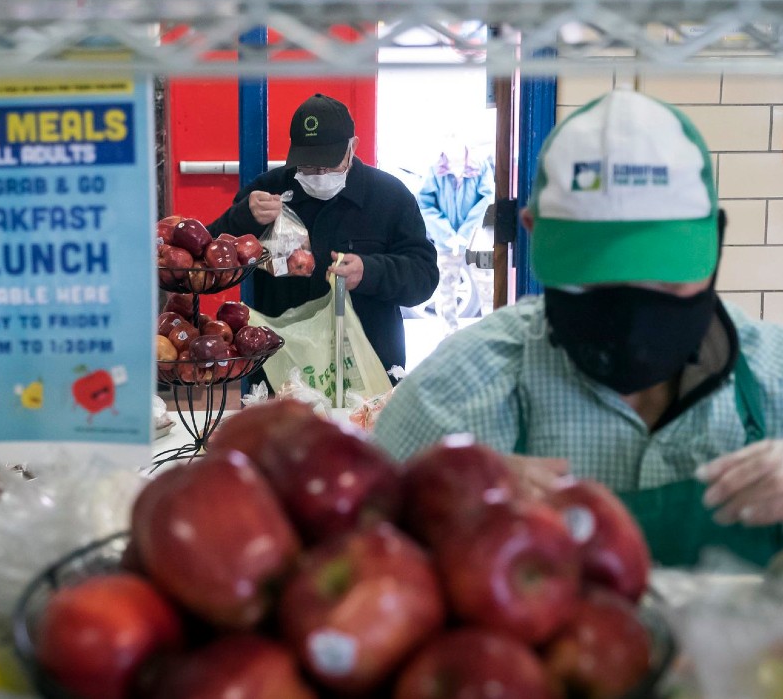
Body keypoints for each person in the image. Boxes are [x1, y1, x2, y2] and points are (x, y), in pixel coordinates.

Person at [375, 89, 783, 567]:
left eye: (667, 281)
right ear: (531, 231)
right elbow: (358, 536)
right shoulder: (459, 389)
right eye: (594, 282)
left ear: (716, 239)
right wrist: (441, 499)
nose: (634, 319)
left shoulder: (772, 377)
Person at [208, 93, 439, 375]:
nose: (318, 173)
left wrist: (369, 271)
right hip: (284, 368)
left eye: (329, 163)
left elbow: (424, 277)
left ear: (352, 147)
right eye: (307, 164)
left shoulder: (390, 197)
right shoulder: (268, 191)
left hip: (367, 370)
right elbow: (210, 261)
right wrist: (242, 217)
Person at [417, 133, 495, 333]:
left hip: (478, 240)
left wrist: (466, 233)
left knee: (488, 288)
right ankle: (449, 335)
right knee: (446, 290)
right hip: (446, 243)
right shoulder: (435, 170)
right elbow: (425, 205)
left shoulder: (480, 167)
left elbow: (486, 199)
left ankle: (493, 333)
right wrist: (448, 235)